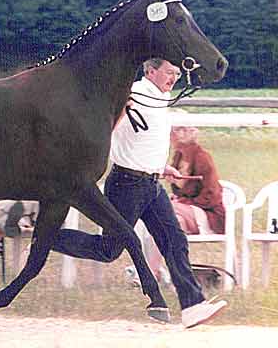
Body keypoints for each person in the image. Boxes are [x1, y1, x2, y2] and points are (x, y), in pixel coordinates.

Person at [51, 58, 227, 328]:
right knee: (109, 250)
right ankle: (47, 238)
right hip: (126, 185)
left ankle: (193, 306)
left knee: (174, 241)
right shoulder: (130, 95)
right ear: (150, 70)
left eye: (177, 75)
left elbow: (145, 140)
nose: (173, 79)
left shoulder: (160, 99)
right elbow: (105, 127)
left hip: (152, 185)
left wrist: (162, 166)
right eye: (169, 73)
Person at [127, 126, 226, 287]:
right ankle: (154, 271)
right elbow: (182, 191)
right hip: (186, 213)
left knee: (162, 211)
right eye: (173, 129)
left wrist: (184, 202)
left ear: (189, 133)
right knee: (168, 222)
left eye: (179, 129)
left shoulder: (202, 157)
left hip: (208, 214)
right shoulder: (179, 157)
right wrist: (178, 195)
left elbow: (212, 195)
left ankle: (151, 273)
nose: (172, 133)